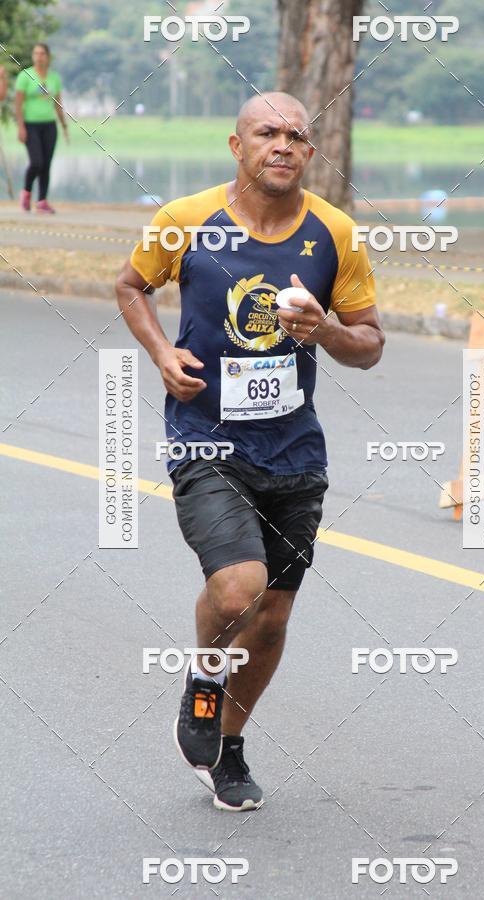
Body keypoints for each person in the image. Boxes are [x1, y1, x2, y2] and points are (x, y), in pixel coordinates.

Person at [116, 92, 384, 812]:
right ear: (237, 146)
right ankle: (206, 675)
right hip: (206, 439)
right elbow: (131, 285)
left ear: (310, 152)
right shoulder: (184, 221)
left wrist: (324, 331)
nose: (283, 145)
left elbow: (370, 345)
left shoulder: (336, 233)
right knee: (239, 588)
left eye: (297, 135)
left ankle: (229, 748)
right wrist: (160, 351)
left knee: (270, 620)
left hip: (294, 452)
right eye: (268, 132)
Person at [15, 43, 68, 213]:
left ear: (48, 56)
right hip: (31, 125)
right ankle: (26, 192)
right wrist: (21, 127)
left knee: (46, 164)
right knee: (36, 162)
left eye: (42, 53)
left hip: (49, 125)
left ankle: (42, 201)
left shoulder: (54, 78)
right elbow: (18, 104)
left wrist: (64, 125)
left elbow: (58, 104)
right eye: (36, 53)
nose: (39, 56)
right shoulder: (25, 76)